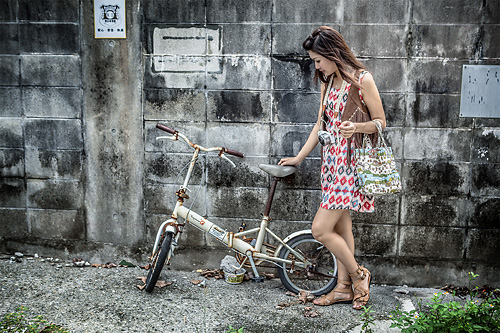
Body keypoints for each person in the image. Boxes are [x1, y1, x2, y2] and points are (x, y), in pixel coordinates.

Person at [278, 26, 386, 310]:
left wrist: (357, 127)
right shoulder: (327, 83)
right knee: (342, 227)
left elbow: (380, 122)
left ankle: (358, 274)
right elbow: (320, 125)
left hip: (350, 167)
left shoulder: (363, 80)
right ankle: (342, 289)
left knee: (320, 229)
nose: (316, 66)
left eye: (317, 60)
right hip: (331, 166)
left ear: (332, 53)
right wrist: (299, 158)